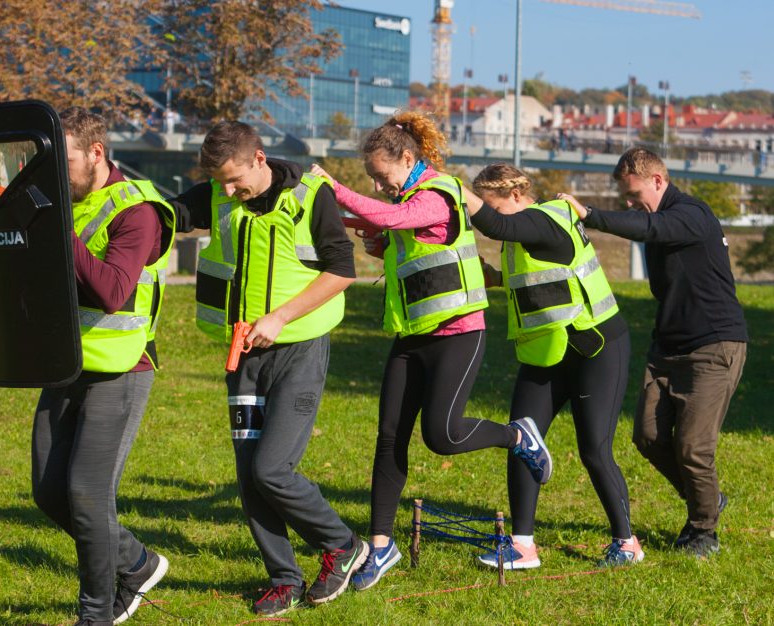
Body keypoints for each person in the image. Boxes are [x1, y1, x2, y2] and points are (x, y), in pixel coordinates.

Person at [309, 112, 553, 590]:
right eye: (372, 180)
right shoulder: (405, 199)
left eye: (383, 176)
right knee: (389, 436)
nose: (380, 187)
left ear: (407, 158)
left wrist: (337, 189)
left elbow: (398, 217)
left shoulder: (438, 193)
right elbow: (398, 233)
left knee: (443, 436)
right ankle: (381, 546)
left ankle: (517, 437)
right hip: (412, 334)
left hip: (459, 333)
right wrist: (374, 239)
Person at [168, 121, 367, 617]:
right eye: (220, 182)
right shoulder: (218, 194)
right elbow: (165, 215)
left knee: (272, 469)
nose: (228, 191)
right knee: (248, 476)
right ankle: (283, 578)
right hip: (244, 355)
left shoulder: (310, 196)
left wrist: (280, 318)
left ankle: (341, 545)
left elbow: (343, 270)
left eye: (235, 179)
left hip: (298, 349)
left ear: (259, 158)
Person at [558, 147, 747, 558]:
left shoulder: (692, 214)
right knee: (647, 435)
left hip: (714, 345)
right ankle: (707, 499)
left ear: (659, 181)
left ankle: (703, 532)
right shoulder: (663, 217)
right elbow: (648, 226)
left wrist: (590, 214)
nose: (629, 203)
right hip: (669, 346)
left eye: (633, 194)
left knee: (694, 447)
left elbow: (650, 228)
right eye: (625, 197)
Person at [30, 107, 174, 626]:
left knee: (88, 497)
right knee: (48, 492)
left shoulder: (137, 211)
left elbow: (113, 292)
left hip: (122, 367)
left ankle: (96, 611)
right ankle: (136, 562)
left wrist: (56, 230)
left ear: (96, 153)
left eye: (63, 160)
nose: (55, 173)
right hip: (65, 363)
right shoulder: (58, 196)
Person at [467, 162, 643, 569]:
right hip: (547, 350)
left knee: (594, 450)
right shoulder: (520, 231)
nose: (487, 221)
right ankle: (522, 545)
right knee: (521, 440)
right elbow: (539, 282)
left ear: (515, 196)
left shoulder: (543, 221)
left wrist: (457, 191)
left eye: (493, 207)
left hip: (595, 348)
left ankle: (626, 542)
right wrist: (493, 277)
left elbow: (498, 227)